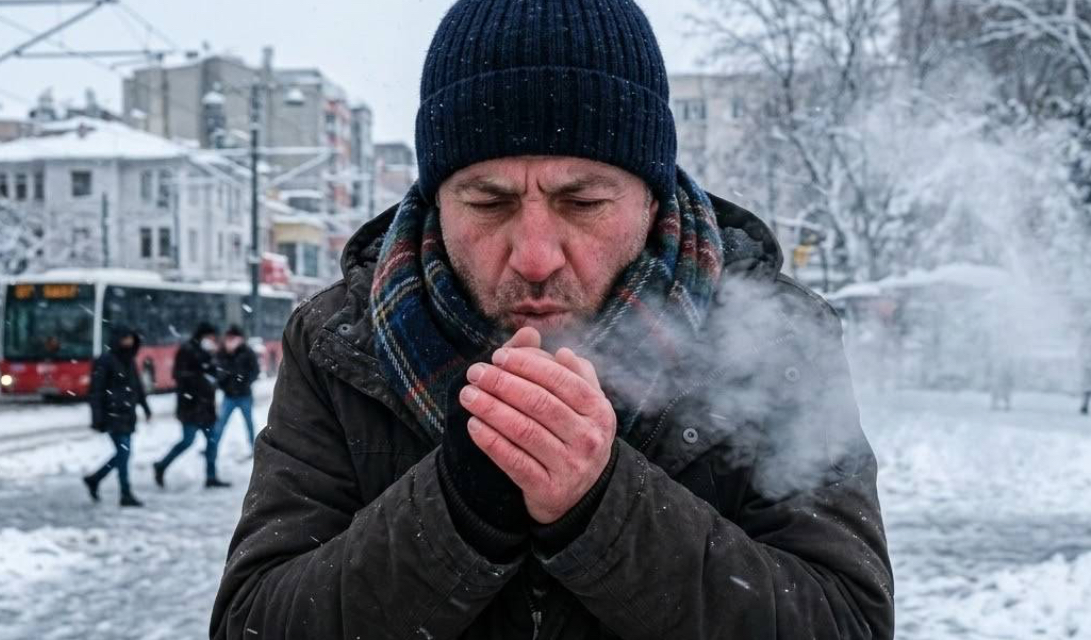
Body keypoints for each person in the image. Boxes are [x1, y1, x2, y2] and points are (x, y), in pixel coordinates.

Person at [211, 2, 894, 638]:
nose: (535, 257)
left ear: (652, 202)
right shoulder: (339, 343)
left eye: (583, 201)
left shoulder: (775, 336)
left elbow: (847, 619)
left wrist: (604, 508)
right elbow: (253, 620)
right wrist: (455, 511)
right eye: (487, 203)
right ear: (436, 202)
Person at [153, 322, 230, 489]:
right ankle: (161, 465)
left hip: (206, 407)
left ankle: (211, 477)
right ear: (202, 336)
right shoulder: (187, 350)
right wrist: (202, 378)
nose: (212, 340)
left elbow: (215, 373)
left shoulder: (209, 352)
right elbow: (179, 375)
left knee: (212, 442)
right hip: (190, 406)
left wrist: (215, 374)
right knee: (187, 441)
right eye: (210, 337)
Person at [82, 326, 152, 507]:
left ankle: (95, 479)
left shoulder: (129, 360)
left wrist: (145, 407)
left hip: (127, 414)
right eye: (125, 338)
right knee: (124, 452)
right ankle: (125, 493)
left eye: (130, 338)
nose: (128, 342)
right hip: (112, 414)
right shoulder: (105, 361)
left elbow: (137, 387)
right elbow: (96, 391)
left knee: (123, 453)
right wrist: (97, 418)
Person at [214, 325, 261, 458]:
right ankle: (213, 448)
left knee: (249, 423)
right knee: (220, 424)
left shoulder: (247, 352)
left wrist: (245, 382)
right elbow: (218, 372)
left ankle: (254, 448)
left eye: (233, 338)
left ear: (239, 339)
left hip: (244, 395)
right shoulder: (222, 352)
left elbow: (255, 371)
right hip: (229, 396)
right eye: (228, 338)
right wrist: (223, 385)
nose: (230, 340)